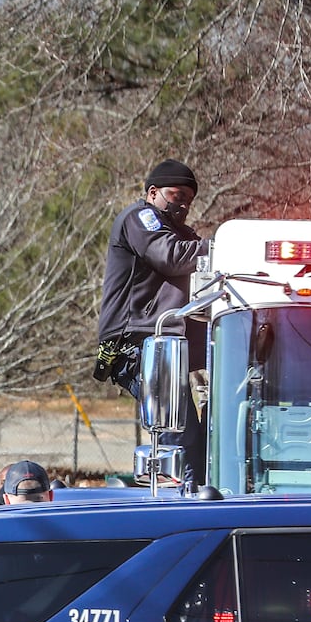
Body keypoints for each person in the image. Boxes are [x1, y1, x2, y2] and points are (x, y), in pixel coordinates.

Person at [96, 158, 208, 483]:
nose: (184, 203)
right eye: (176, 195)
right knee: (178, 439)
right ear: (153, 192)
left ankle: (200, 494)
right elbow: (170, 257)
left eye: (189, 197)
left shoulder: (183, 234)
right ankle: (181, 504)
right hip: (140, 343)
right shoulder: (140, 218)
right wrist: (225, 246)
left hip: (168, 347)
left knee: (198, 441)